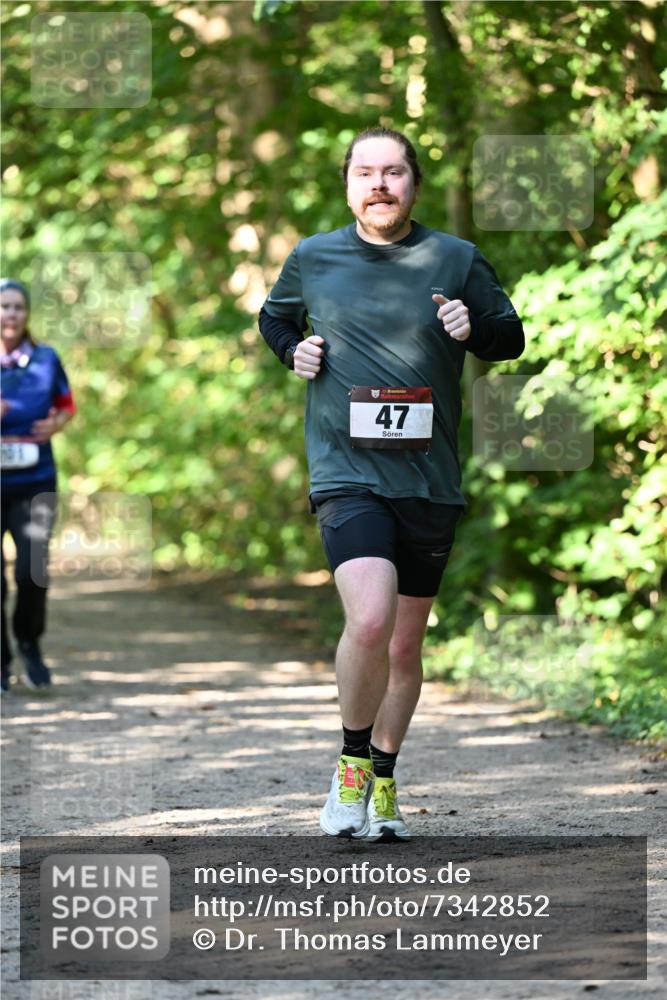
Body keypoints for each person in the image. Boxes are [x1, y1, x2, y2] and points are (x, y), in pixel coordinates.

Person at [259, 126, 524, 841]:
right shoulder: (313, 257)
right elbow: (273, 318)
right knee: (369, 618)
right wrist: (296, 350)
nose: (379, 184)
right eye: (365, 172)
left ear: (413, 184)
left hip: (429, 479)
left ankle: (382, 778)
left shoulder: (455, 259)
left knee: (405, 647)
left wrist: (473, 330)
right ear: (348, 183)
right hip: (346, 472)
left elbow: (510, 336)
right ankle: (348, 769)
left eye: (394, 172)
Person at [1, 278, 76, 692]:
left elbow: (67, 406)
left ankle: (29, 641)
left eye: (18, 307)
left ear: (26, 314)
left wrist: (56, 424)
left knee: (33, 572)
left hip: (35, 481)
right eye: (4, 306)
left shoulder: (46, 359)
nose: (11, 314)